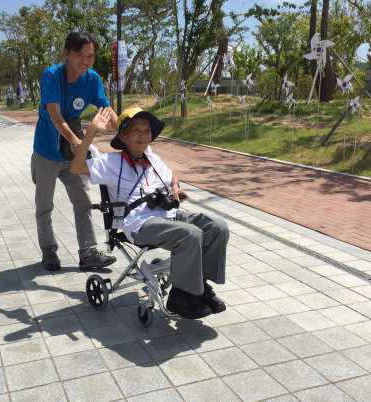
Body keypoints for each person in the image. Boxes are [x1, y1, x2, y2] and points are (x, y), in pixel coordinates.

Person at [70, 107, 229, 320]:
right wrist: (91, 131)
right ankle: (180, 296)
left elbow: (172, 174)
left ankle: (200, 287)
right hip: (139, 223)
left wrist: (175, 186)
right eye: (136, 129)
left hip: (168, 216)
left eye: (147, 130)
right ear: (123, 136)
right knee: (190, 234)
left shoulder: (153, 160)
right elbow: (76, 168)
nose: (143, 134)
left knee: (217, 227)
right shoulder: (110, 162)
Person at [31, 32, 118, 272]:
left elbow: (106, 110)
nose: (85, 61)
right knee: (44, 205)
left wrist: (126, 134)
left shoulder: (92, 79)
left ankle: (88, 253)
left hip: (73, 156)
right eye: (80, 55)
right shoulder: (51, 75)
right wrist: (73, 140)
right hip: (47, 152)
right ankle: (49, 249)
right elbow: (54, 114)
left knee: (83, 202)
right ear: (66, 53)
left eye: (90, 56)